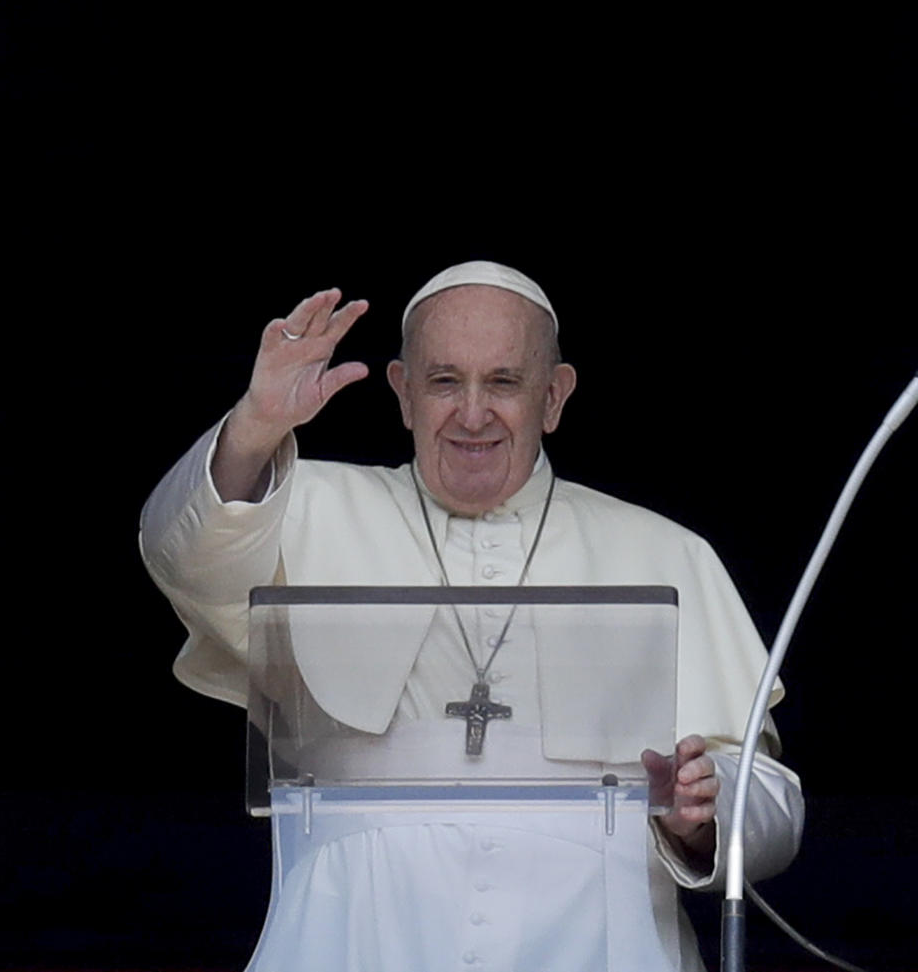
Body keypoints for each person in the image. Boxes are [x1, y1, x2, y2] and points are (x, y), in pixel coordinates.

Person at [141, 262, 803, 972]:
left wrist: (705, 810)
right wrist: (254, 427)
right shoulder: (302, 506)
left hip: (597, 945)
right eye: (444, 380)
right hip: (351, 936)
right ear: (402, 392)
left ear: (554, 396)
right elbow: (180, 553)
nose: (473, 412)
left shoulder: (665, 551)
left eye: (505, 382)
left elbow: (774, 811)